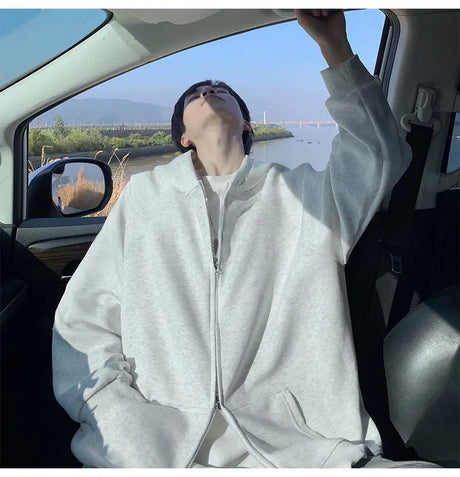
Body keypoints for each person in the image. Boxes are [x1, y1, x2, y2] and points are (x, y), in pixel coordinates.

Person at [52, 10, 440, 468]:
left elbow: (379, 153)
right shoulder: (144, 198)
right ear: (183, 137)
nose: (207, 91)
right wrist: (119, 417)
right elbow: (83, 321)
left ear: (248, 124)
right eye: (194, 95)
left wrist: (335, 47)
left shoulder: (305, 195)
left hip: (301, 447)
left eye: (221, 90)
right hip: (156, 447)